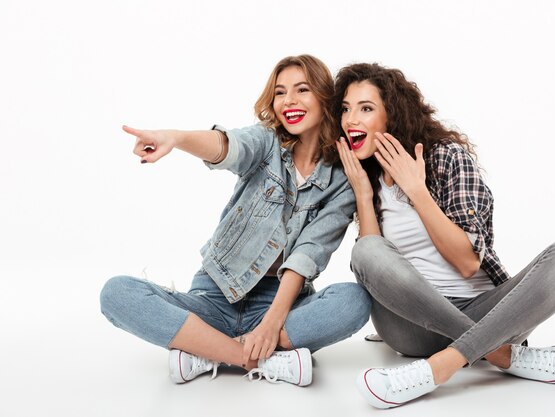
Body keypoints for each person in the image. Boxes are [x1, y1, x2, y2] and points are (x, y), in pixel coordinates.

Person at [100, 55, 371, 387]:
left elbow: (309, 253)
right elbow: (228, 147)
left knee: (355, 301)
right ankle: (254, 358)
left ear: (324, 97)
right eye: (280, 92)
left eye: (302, 90)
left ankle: (202, 352)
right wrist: (177, 138)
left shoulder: (342, 178)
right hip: (215, 297)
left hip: (281, 307)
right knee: (116, 293)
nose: (289, 101)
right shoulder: (266, 141)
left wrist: (272, 323)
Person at [333, 63, 555, 408]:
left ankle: (443, 365)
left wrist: (418, 192)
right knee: (366, 250)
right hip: (411, 325)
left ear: (392, 115)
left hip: (489, 313)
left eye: (366, 108)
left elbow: (468, 264)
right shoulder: (366, 179)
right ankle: (499, 354)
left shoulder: (446, 158)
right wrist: (364, 194)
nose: (351, 120)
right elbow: (375, 269)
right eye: (346, 109)